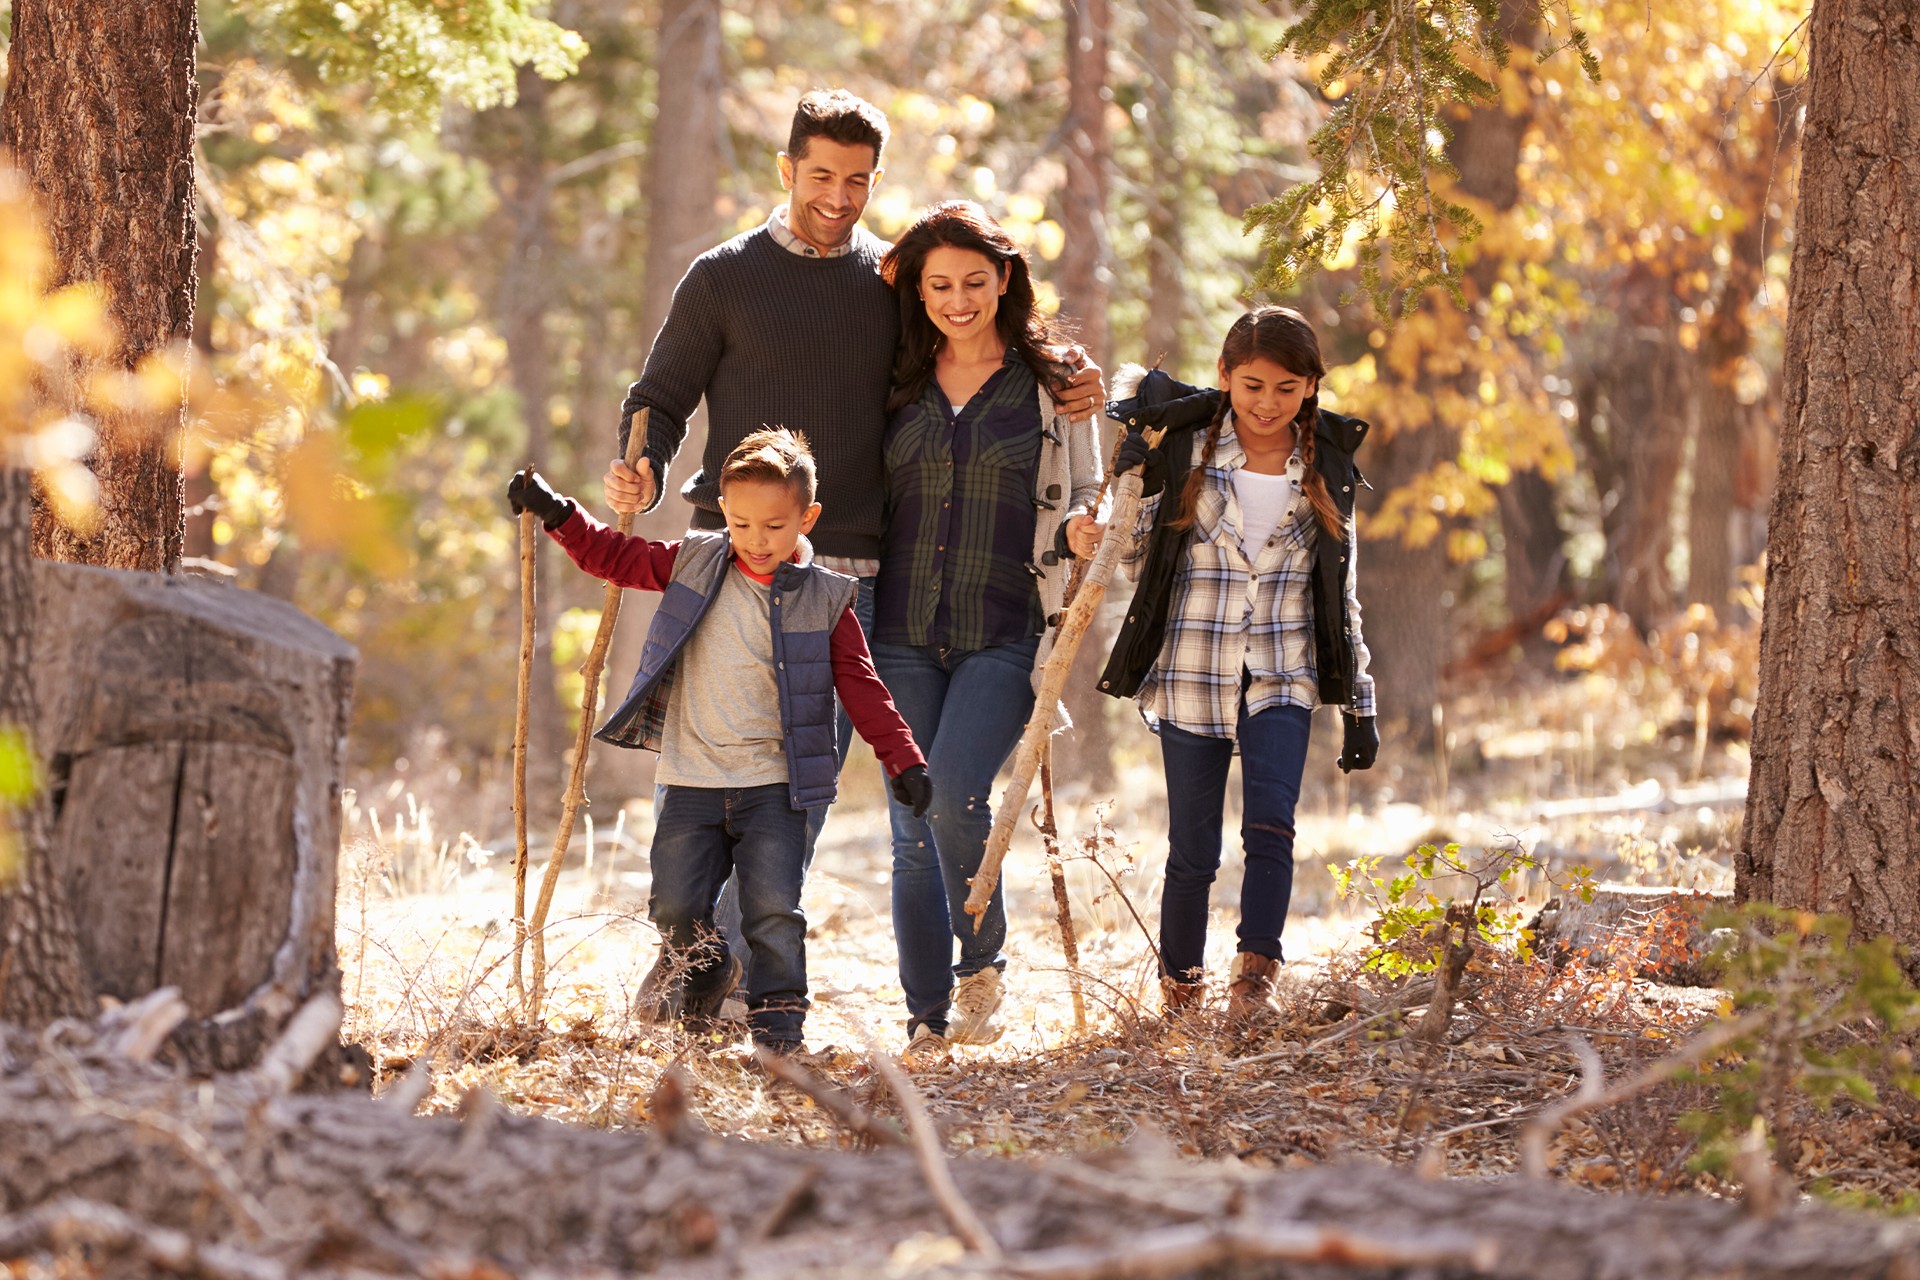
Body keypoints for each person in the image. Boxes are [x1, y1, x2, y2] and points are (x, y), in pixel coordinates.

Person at [601, 89, 1104, 1017]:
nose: (839, 196)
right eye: (822, 174)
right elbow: (660, 397)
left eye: (859, 180)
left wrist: (1072, 378)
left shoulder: (890, 282)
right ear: (786, 169)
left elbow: (978, 349)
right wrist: (638, 462)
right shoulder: (722, 277)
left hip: (854, 582)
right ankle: (695, 955)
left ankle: (716, 971)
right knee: (721, 775)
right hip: (734, 567)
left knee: (803, 790)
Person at [507, 430, 933, 1058]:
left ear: (807, 518)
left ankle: (779, 1032)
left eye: (774, 525)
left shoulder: (827, 598)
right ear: (723, 514)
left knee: (772, 913)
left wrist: (902, 758)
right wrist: (556, 512)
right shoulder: (696, 561)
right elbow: (616, 557)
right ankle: (705, 969)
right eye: (740, 523)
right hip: (690, 780)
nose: (756, 540)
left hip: (776, 787)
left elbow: (862, 685)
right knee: (673, 906)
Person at [1100, 307, 1379, 1025]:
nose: (1267, 403)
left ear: (1312, 387)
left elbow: (1341, 592)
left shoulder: (1327, 468)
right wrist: (1130, 485)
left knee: (1272, 826)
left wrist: (1361, 702)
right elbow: (1132, 562)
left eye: (1287, 388)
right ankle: (1180, 990)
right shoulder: (1188, 450)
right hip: (1193, 669)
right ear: (1224, 377)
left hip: (1283, 672)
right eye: (1252, 384)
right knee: (1192, 847)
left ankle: (1256, 976)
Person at [870, 202, 1102, 1060]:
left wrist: (1087, 524)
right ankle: (925, 1016)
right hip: (897, 630)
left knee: (957, 790)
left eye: (975, 281)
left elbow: (1090, 490)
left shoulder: (1054, 385)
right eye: (940, 285)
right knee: (909, 820)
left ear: (1005, 279)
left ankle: (982, 956)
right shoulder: (892, 375)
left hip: (1005, 629)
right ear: (919, 292)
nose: (958, 299)